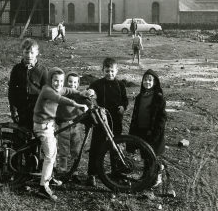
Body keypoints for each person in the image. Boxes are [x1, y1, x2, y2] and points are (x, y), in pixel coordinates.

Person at [33, 67, 91, 201]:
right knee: (50, 155)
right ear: (50, 80)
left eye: (60, 81)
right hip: (43, 125)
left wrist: (82, 93)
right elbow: (61, 99)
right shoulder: (48, 90)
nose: (58, 84)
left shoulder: (58, 88)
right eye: (55, 80)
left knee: (53, 153)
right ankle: (43, 187)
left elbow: (69, 90)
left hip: (49, 124)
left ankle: (50, 177)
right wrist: (78, 105)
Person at [87, 57, 129, 187]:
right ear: (102, 70)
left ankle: (115, 172)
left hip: (115, 120)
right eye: (107, 71)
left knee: (115, 146)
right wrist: (91, 93)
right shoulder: (97, 84)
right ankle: (92, 174)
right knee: (96, 147)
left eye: (112, 71)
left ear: (116, 71)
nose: (109, 73)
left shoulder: (120, 85)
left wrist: (123, 106)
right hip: (100, 120)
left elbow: (125, 100)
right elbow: (91, 93)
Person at [129, 69, 167, 187]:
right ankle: (146, 176)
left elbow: (162, 117)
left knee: (154, 154)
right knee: (145, 154)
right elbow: (135, 115)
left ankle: (157, 178)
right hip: (141, 130)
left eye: (150, 80)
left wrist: (156, 132)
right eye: (145, 80)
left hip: (153, 131)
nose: (147, 82)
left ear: (155, 82)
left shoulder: (158, 98)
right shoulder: (140, 97)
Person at [8, 38, 48, 131]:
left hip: (37, 110)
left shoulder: (42, 70)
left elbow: (47, 93)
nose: (29, 55)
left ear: (37, 53)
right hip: (21, 110)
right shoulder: (17, 69)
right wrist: (13, 110)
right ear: (22, 52)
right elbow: (12, 91)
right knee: (20, 138)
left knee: (37, 138)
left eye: (32, 52)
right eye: (26, 52)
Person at [56, 72, 83, 183]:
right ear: (66, 82)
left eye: (75, 82)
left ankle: (74, 172)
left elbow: (88, 101)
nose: (72, 84)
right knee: (63, 150)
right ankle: (63, 171)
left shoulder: (80, 95)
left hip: (76, 125)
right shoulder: (62, 94)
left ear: (78, 84)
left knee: (76, 150)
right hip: (64, 125)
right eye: (70, 81)